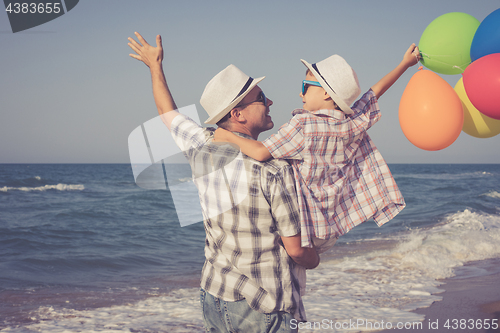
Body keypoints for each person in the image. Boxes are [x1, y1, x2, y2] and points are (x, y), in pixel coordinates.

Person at [127, 32, 318, 332]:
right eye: (260, 98)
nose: (270, 101)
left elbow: (168, 114)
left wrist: (155, 67)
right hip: (263, 306)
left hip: (214, 296)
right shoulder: (272, 170)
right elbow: (295, 250)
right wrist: (314, 258)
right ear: (237, 113)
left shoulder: (200, 147)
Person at [214, 45, 421, 253]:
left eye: (305, 86)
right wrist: (404, 64)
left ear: (325, 93)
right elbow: (375, 93)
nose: (300, 92)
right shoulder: (352, 122)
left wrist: (226, 136)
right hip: (331, 228)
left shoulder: (303, 126)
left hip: (306, 226)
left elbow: (260, 152)